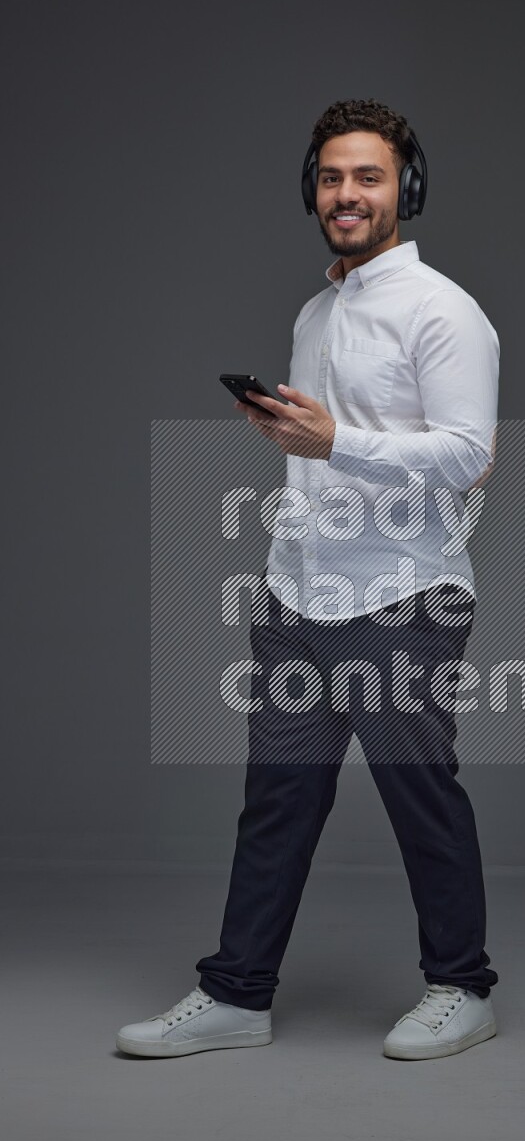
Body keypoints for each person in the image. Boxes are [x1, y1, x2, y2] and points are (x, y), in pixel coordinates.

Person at [117, 98, 500, 1062]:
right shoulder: (315, 310)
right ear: (311, 191)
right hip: (297, 594)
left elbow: (467, 456)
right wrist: (300, 446)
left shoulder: (444, 310)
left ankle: (463, 985)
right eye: (331, 177)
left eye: (368, 176)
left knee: (421, 793)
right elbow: (326, 455)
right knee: (279, 798)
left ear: (404, 189)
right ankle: (237, 993)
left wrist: (337, 439)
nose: (347, 193)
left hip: (403, 596)